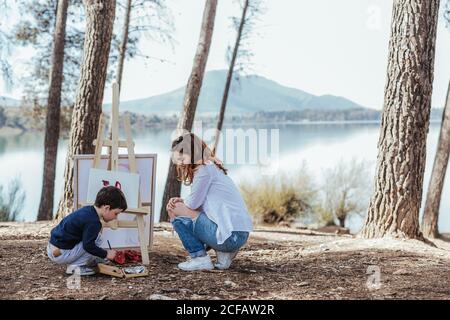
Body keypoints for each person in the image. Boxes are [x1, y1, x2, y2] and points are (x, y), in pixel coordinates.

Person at [166, 132, 253, 271]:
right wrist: (185, 201)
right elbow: (200, 204)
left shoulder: (203, 170)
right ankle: (224, 254)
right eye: (178, 156)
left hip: (230, 237)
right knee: (182, 207)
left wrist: (181, 202)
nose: (180, 160)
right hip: (239, 235)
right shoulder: (211, 166)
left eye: (183, 155)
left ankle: (199, 258)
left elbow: (193, 204)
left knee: (174, 207)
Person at [47, 186, 127, 276]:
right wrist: (106, 254)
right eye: (116, 213)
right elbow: (88, 246)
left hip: (53, 247)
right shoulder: (94, 222)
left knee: (95, 237)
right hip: (60, 253)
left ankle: (88, 260)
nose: (116, 217)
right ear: (106, 208)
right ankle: (76, 267)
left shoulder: (88, 210)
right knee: (96, 239)